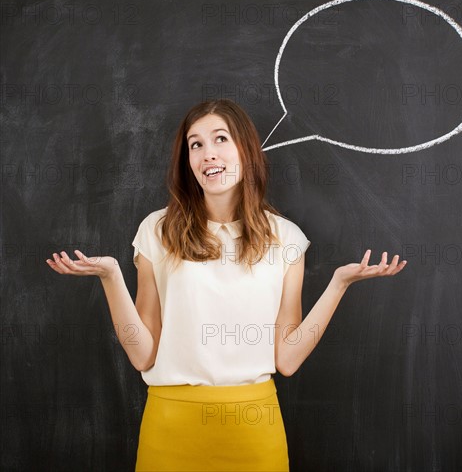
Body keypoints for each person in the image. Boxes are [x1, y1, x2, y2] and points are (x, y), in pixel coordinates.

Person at [46, 98, 407, 471]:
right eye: (196, 144)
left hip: (254, 430)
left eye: (221, 139)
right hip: (171, 428)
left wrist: (338, 285)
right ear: (187, 160)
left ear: (245, 150)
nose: (208, 155)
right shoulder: (157, 230)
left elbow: (288, 359)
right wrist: (110, 278)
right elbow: (142, 355)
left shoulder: (287, 239)